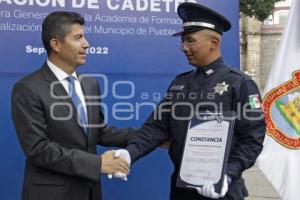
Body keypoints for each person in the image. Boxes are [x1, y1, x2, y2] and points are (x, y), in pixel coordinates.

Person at [112, 2, 266, 200]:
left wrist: (227, 175)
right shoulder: (180, 83)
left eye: (191, 41)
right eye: (183, 41)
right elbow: (156, 127)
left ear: (214, 41)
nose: (184, 48)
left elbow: (252, 140)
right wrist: (129, 154)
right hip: (181, 190)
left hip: (221, 191)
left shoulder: (239, 84)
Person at [11, 11, 136, 200]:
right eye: (78, 37)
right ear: (56, 44)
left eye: (84, 36)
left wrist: (151, 135)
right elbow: (39, 149)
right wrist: (97, 164)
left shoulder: (90, 84)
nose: (86, 44)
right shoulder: (27, 88)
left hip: (90, 192)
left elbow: (99, 132)